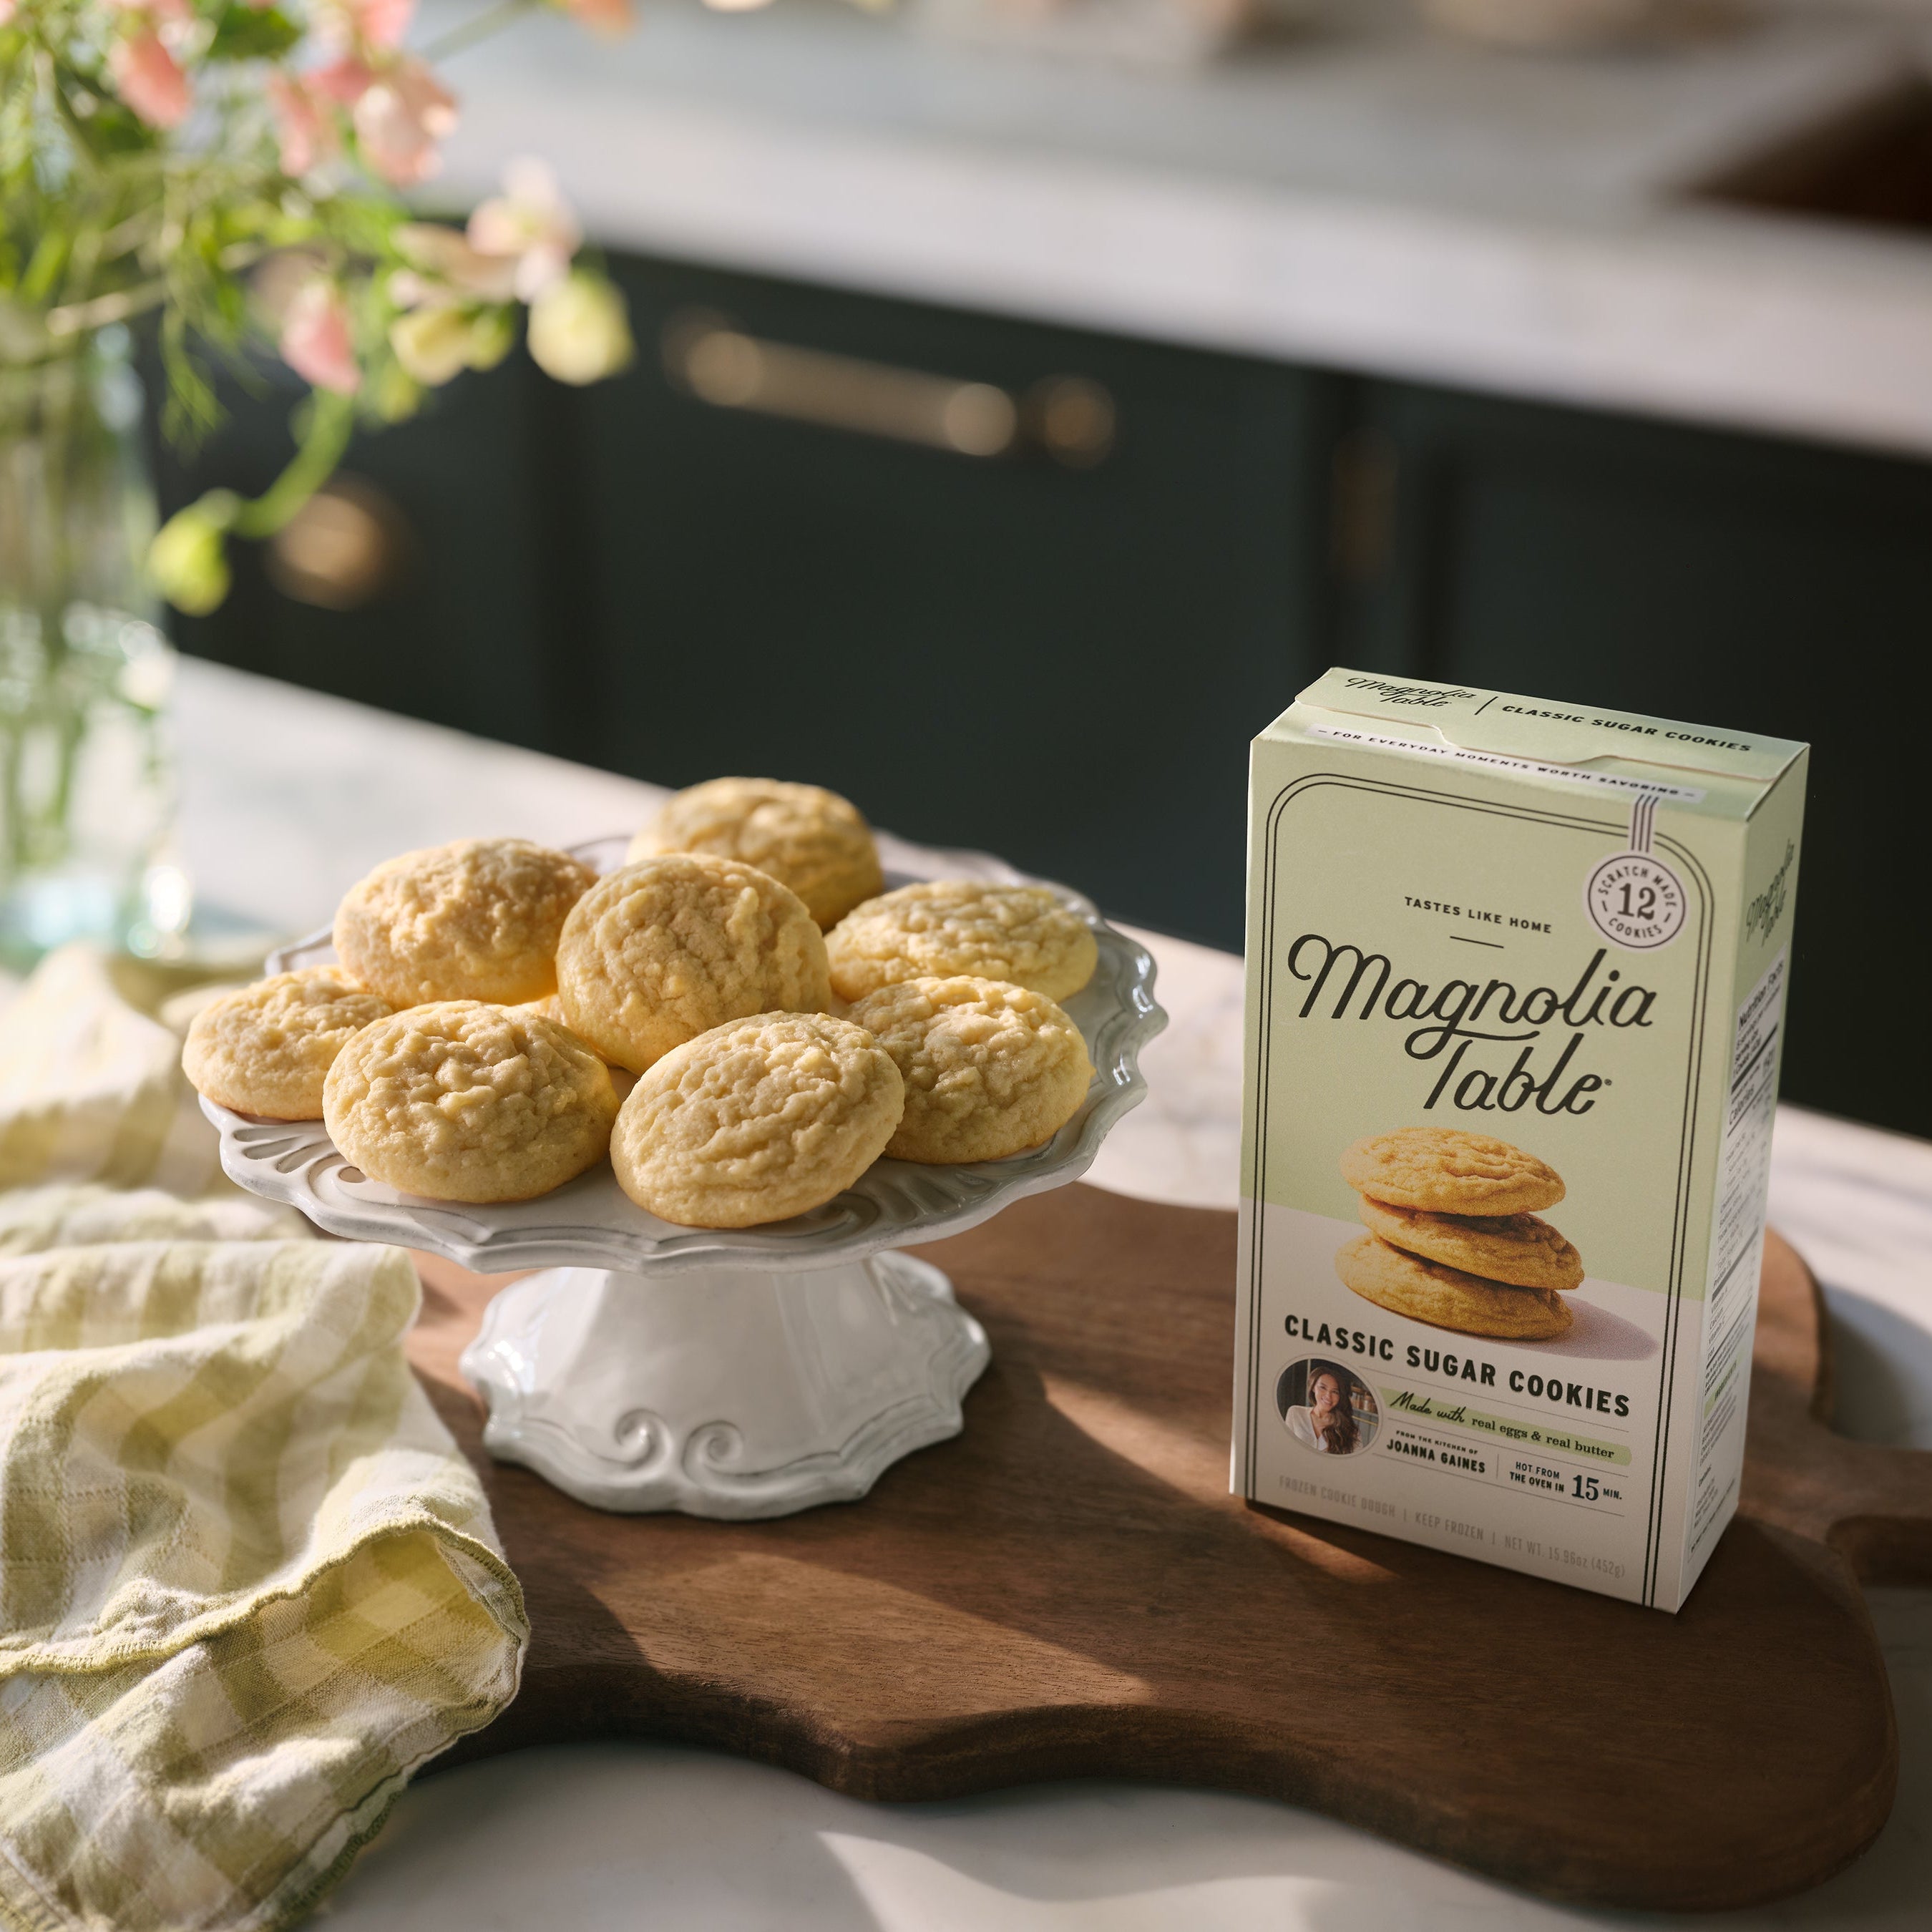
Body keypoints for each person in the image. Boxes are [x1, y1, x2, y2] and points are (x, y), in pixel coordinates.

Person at [1285, 1363, 1360, 1455]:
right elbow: (1286, 1450)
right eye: (1323, 1388)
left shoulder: (1350, 1429)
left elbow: (1357, 1464)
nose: (1328, 1396)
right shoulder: (1295, 1413)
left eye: (1335, 1392)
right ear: (1313, 1387)